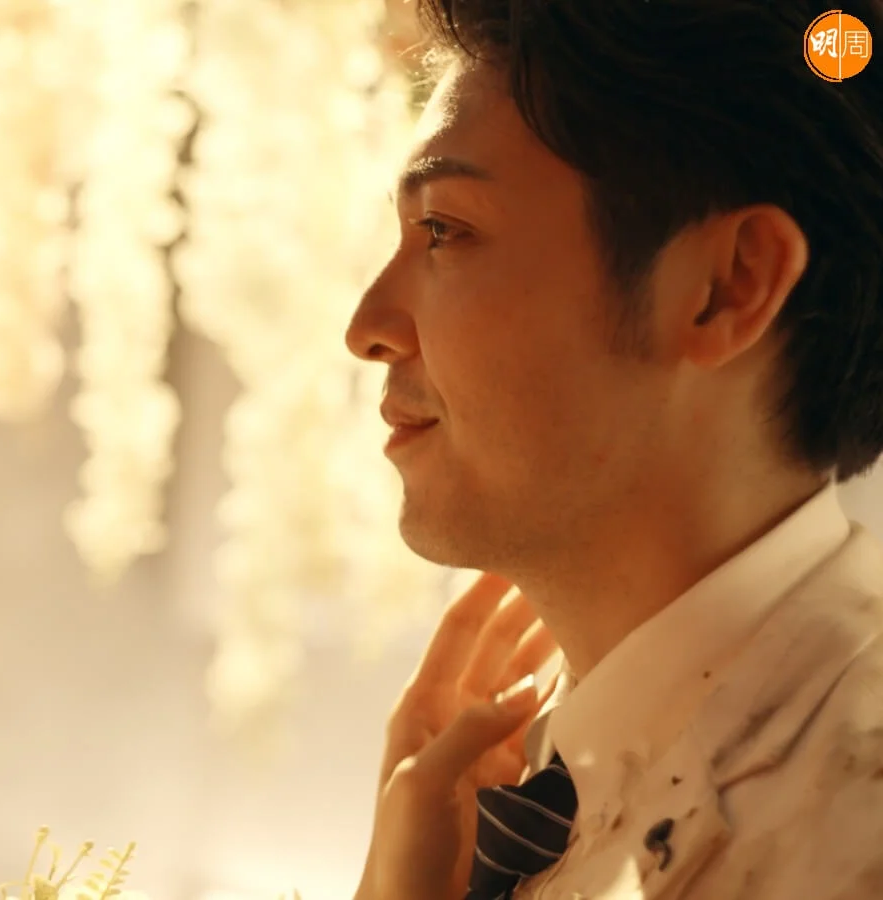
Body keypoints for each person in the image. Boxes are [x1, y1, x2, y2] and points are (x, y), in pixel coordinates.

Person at [346, 0, 883, 898]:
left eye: (445, 230)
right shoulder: (506, 789)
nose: (367, 327)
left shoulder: (854, 822)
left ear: (727, 286)